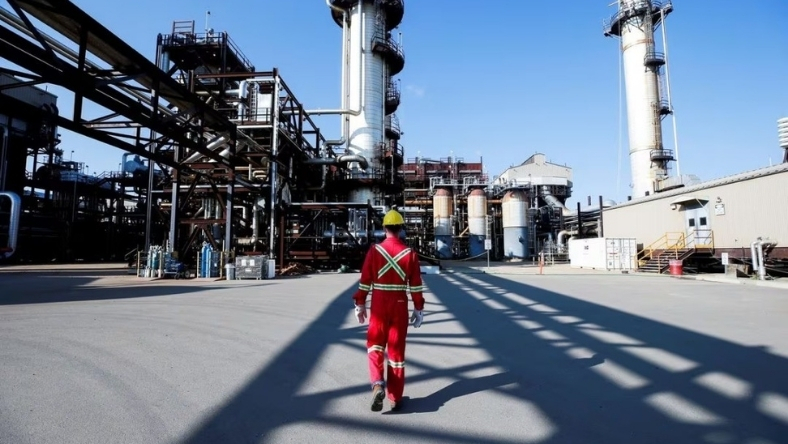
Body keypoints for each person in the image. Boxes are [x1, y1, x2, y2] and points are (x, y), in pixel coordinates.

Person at [352, 208, 424, 412]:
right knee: (396, 352)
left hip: (379, 304)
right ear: (400, 229)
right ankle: (395, 397)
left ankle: (377, 384)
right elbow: (416, 285)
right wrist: (419, 308)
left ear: (384, 228)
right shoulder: (410, 254)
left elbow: (365, 280)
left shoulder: (374, 251)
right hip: (399, 305)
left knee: (375, 345)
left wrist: (360, 303)